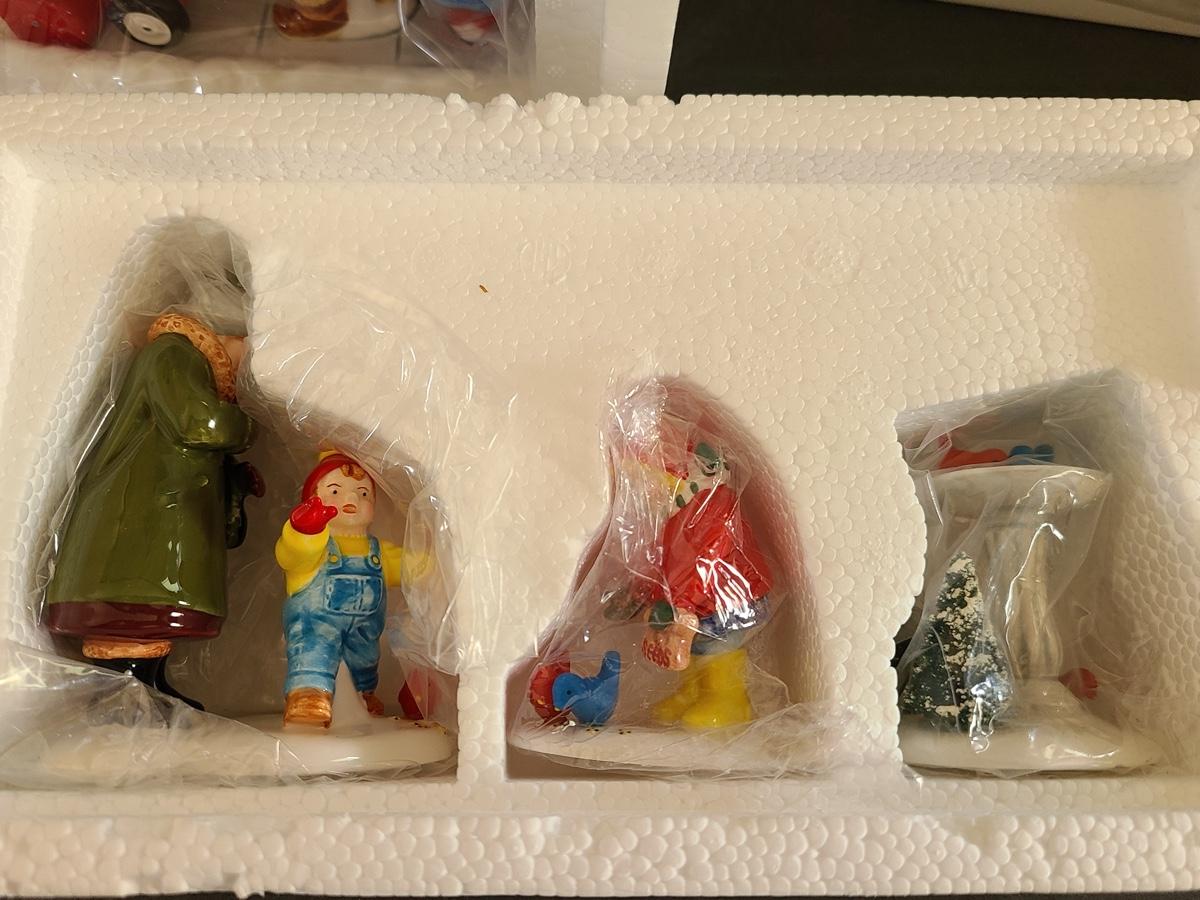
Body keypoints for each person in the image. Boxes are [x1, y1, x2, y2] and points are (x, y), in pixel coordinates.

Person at [45, 312, 260, 708]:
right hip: (143, 514)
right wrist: (248, 427)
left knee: (154, 613)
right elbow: (198, 422)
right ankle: (123, 695)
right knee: (136, 604)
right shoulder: (173, 354)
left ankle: (146, 685)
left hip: (161, 514)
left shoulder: (192, 368)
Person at [276, 451, 429, 727]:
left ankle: (363, 694)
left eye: (363, 493)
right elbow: (291, 556)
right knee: (314, 651)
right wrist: (304, 530)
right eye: (335, 491)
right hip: (315, 624)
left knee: (365, 658)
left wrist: (438, 565)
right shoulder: (315, 548)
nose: (351, 499)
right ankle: (308, 697)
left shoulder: (379, 551)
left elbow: (411, 566)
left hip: (364, 628)